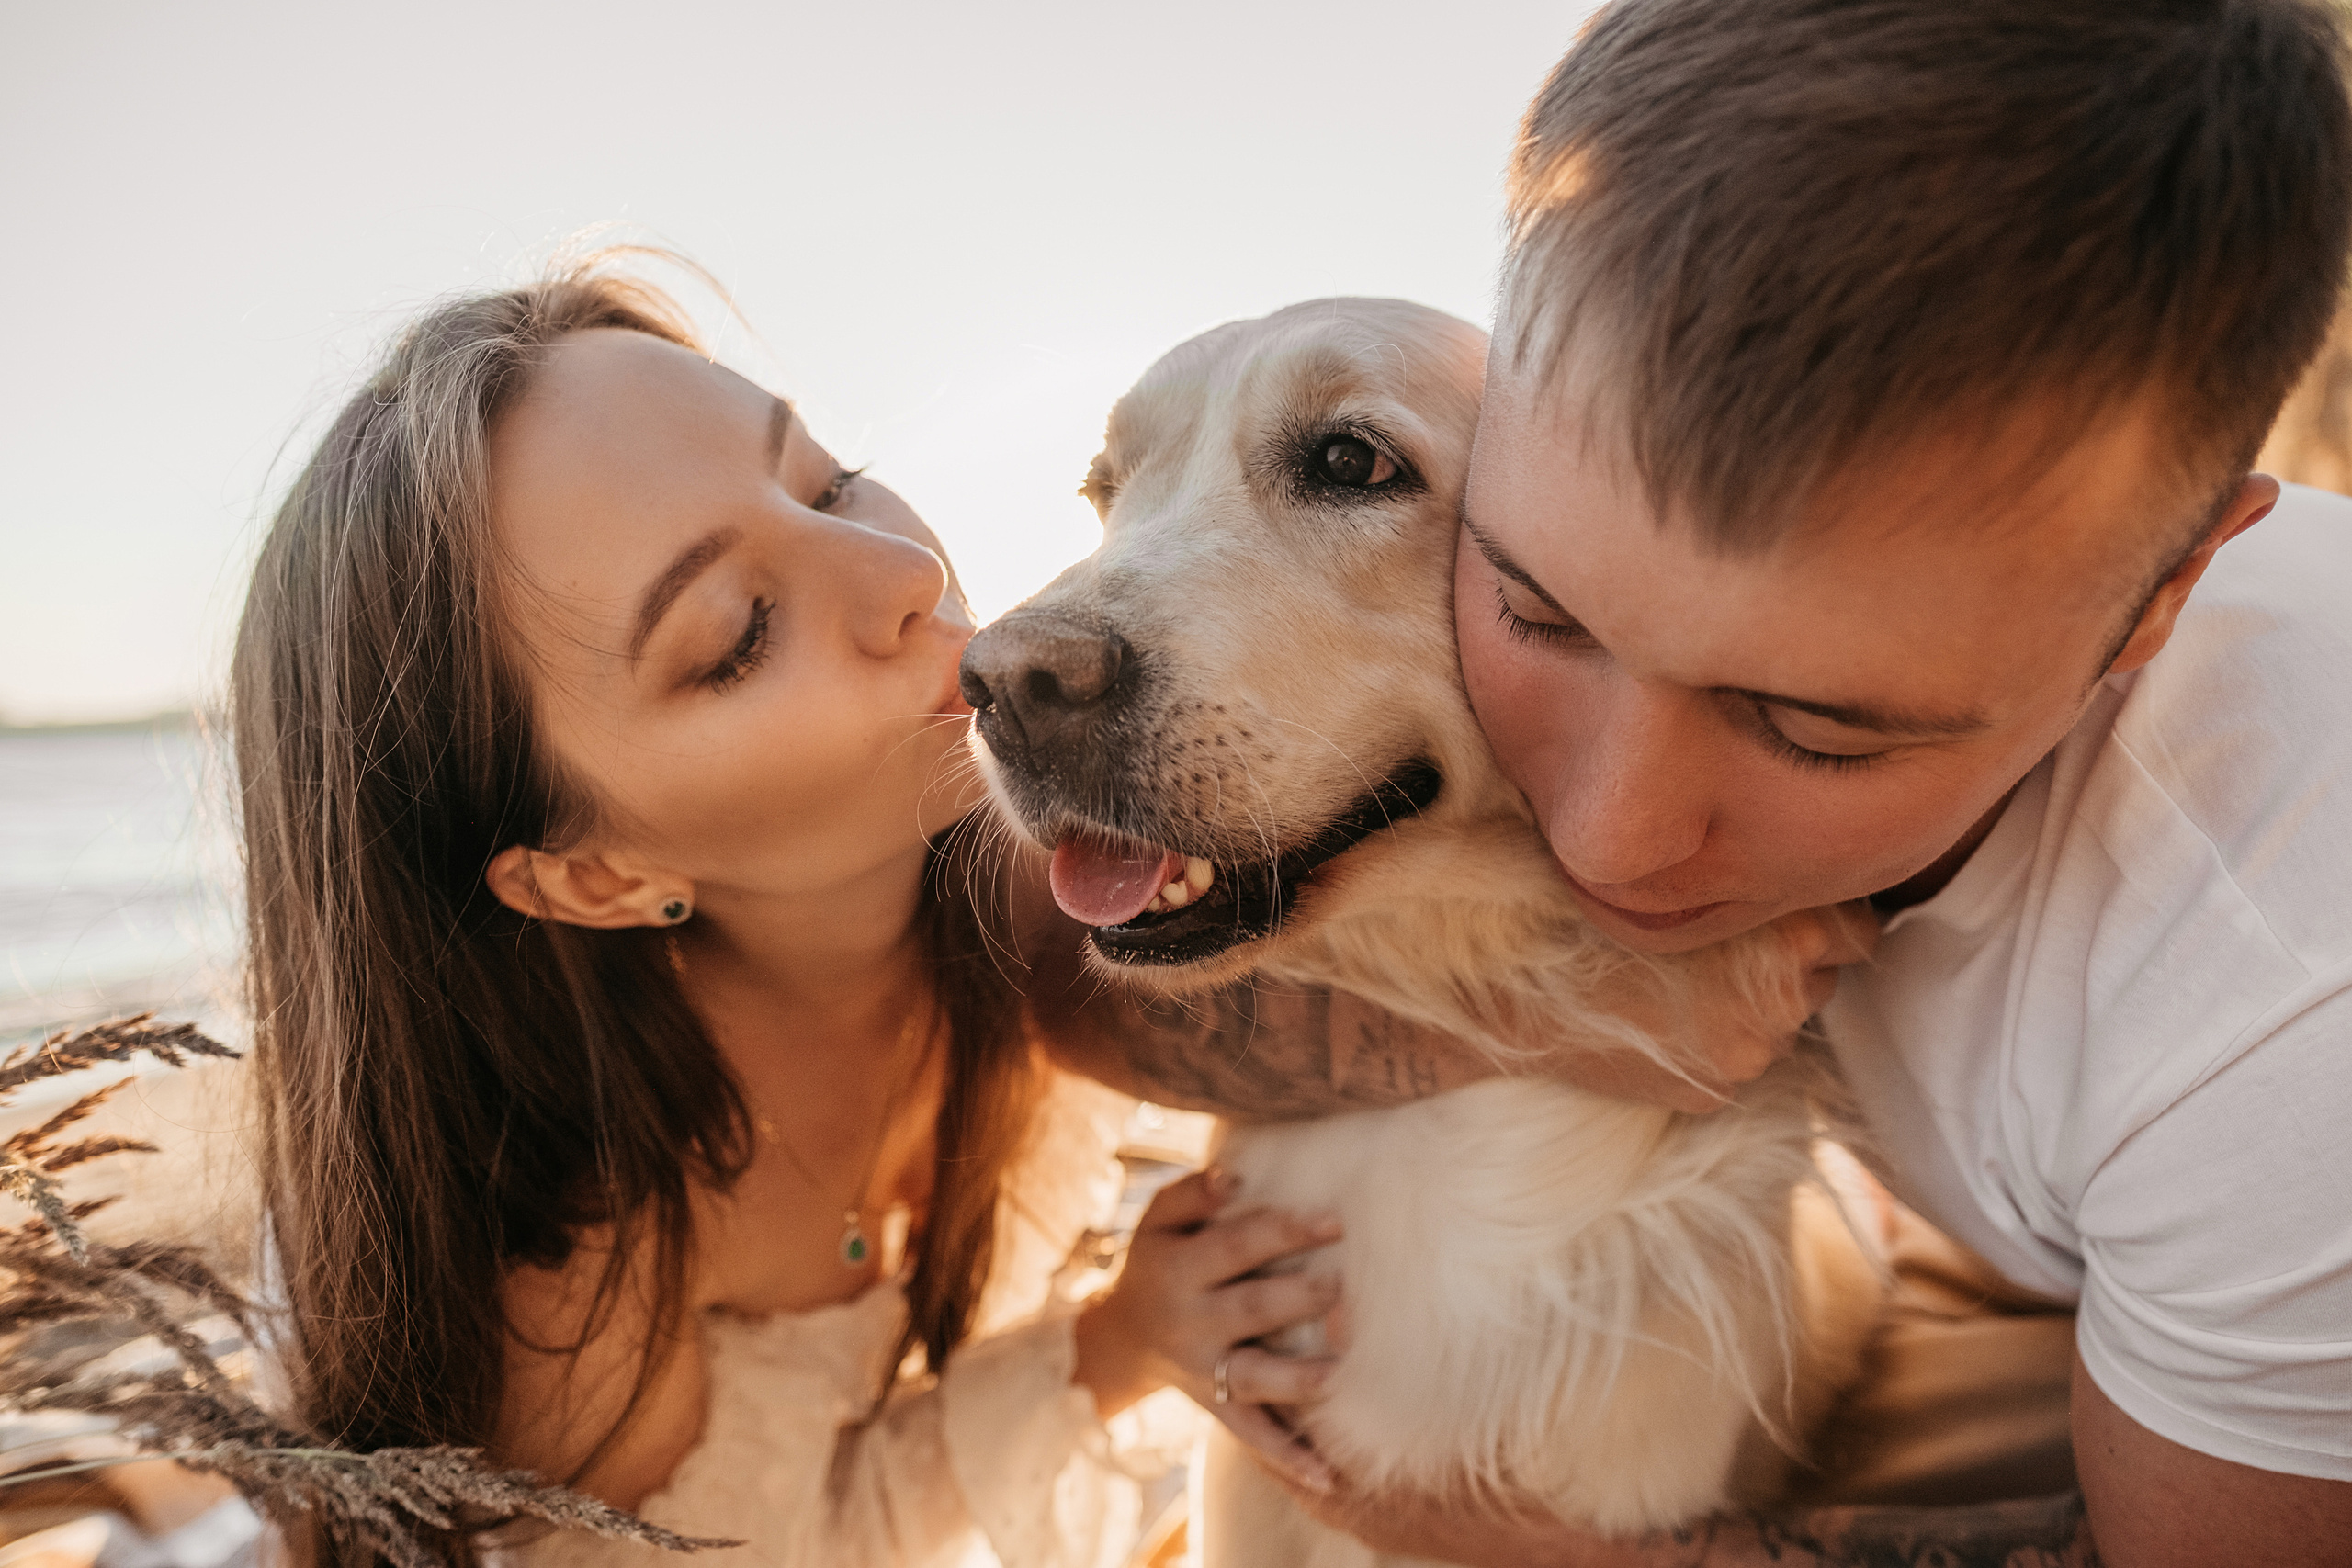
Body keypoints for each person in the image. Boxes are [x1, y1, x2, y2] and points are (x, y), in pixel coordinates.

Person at [228, 259, 1845, 1567]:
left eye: (829, 479)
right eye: (735, 635)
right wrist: (1109, 1351)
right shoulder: (569, 1258)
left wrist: (1604, 990)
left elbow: (1142, 991)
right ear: (593, 875)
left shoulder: (1039, 899)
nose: (914, 589)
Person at [1269, 2, 2352, 1564]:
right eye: (1538, 614)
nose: (1611, 838)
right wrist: (1564, 1014)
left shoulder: (2293, 1010)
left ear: (2165, 593)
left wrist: (1559, 1554)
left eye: (1817, 732)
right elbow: (1052, 969)